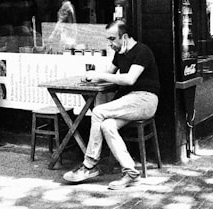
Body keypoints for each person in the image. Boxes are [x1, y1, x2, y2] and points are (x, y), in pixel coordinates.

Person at [62, 19, 160, 190]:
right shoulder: (120, 53)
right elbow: (108, 73)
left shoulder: (142, 51)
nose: (110, 44)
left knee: (99, 112)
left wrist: (100, 76)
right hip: (130, 101)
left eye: (112, 39)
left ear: (125, 37)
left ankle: (89, 166)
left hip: (145, 100)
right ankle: (130, 172)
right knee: (107, 125)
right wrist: (92, 76)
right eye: (108, 39)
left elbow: (129, 79)